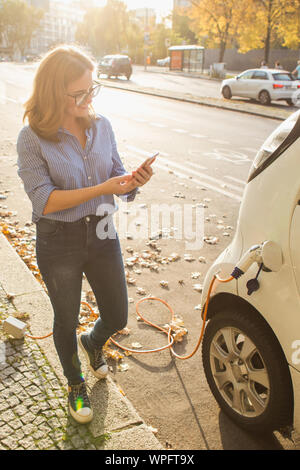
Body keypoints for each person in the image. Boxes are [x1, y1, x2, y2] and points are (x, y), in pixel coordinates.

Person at [16, 45, 154, 424]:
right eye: (78, 93)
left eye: (91, 89)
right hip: (58, 240)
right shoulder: (32, 138)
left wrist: (131, 183)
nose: (88, 98)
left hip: (103, 232)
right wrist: (102, 188)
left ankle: (93, 342)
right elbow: (43, 201)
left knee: (118, 315)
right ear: (51, 93)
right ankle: (75, 383)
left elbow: (116, 173)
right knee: (65, 317)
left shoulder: (102, 125)